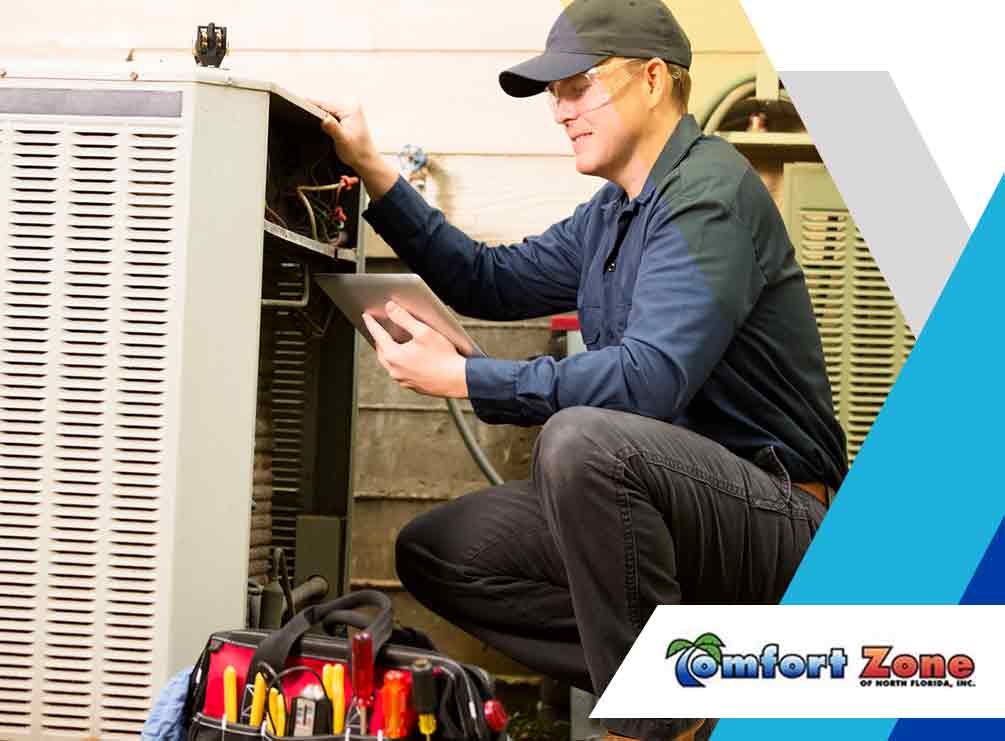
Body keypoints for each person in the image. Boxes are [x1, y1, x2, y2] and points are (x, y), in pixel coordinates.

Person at [313, 1, 847, 738]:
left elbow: (650, 380)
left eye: (577, 85)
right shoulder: (611, 213)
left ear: (653, 79)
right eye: (553, 93)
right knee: (442, 550)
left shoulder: (710, 198)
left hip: (771, 512)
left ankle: (651, 719)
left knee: (584, 442)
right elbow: (486, 281)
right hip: (666, 513)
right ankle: (703, 675)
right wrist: (373, 170)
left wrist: (468, 379)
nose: (559, 109)